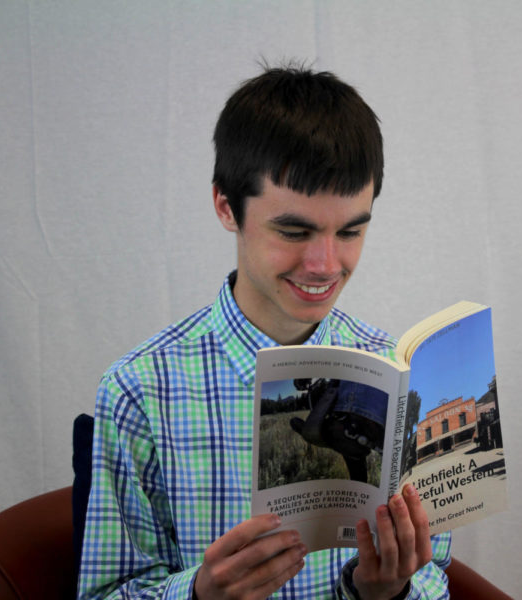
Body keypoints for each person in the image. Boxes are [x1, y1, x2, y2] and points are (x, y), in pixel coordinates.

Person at [77, 65, 451, 599]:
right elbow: (103, 592)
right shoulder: (139, 390)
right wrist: (199, 594)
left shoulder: (398, 370)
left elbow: (434, 573)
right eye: (293, 230)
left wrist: (385, 591)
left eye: (351, 230)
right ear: (227, 207)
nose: (325, 264)